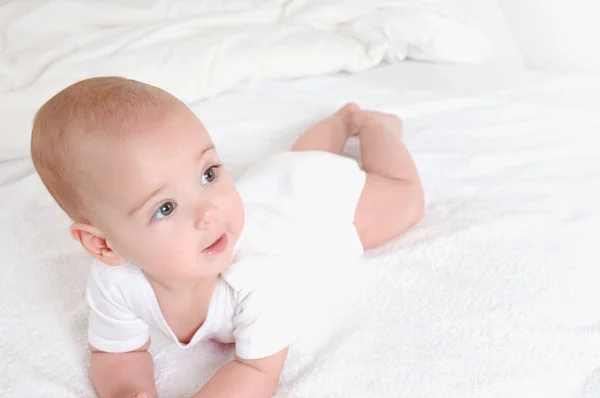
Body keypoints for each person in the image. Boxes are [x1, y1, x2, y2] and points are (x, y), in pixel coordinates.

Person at [30, 76, 423, 398]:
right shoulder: (115, 283)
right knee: (292, 162)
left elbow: (256, 368)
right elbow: (116, 353)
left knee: (403, 200)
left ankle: (369, 125)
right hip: (272, 186)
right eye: (165, 208)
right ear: (103, 245)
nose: (208, 212)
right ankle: (339, 121)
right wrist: (130, 391)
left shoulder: (254, 277)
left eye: (209, 173)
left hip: (320, 207)